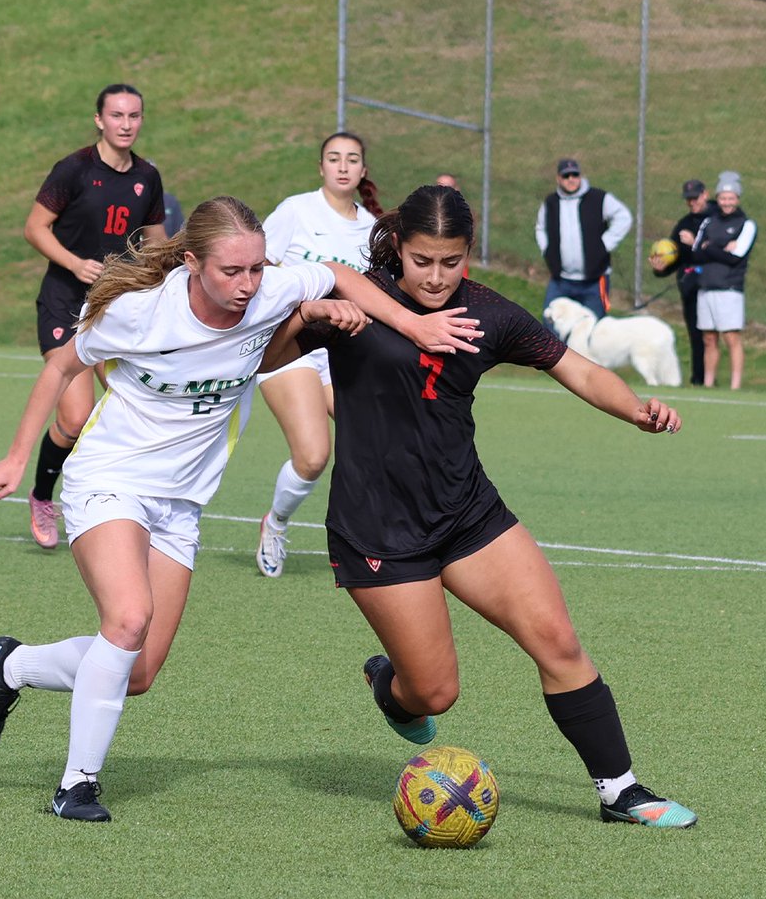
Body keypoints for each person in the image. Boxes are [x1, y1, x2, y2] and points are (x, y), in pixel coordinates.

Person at [0, 196, 482, 823]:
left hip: (180, 506)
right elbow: (60, 368)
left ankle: (11, 664)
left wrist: (412, 325)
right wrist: (17, 460)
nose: (248, 285)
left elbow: (340, 275)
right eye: (232, 272)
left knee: (139, 669)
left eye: (257, 270)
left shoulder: (266, 291)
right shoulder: (139, 314)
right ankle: (77, 785)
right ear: (190, 264)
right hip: (109, 480)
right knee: (127, 622)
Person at [265, 184, 696, 829]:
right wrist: (309, 320)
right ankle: (393, 689)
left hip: (469, 514)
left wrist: (635, 408)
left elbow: (573, 367)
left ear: (467, 254)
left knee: (558, 641)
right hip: (379, 529)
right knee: (434, 692)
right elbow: (268, 359)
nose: (436, 277)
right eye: (421, 261)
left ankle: (620, 790)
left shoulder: (489, 314)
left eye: (451, 261)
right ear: (398, 251)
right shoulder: (359, 303)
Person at [23, 84, 168, 550]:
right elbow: (34, 228)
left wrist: (158, 278)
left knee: (134, 403)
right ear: (99, 120)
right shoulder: (74, 169)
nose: (126, 123)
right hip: (65, 300)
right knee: (76, 414)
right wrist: (73, 263)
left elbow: (157, 243)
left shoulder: (148, 176)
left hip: (114, 305)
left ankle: (121, 505)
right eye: (117, 115)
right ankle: (43, 496)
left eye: (135, 115)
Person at [254, 132, 383, 578]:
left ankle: (372, 540)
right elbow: (258, 269)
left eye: (352, 159)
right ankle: (276, 522)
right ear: (321, 167)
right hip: (288, 346)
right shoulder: (295, 211)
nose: (343, 166)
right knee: (312, 456)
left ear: (363, 170)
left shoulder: (371, 228)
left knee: (375, 445)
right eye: (334, 158)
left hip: (341, 350)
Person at [536, 158, 632, 319]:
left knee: (592, 332)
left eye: (575, 175)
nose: (571, 179)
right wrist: (547, 249)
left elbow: (624, 217)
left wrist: (605, 244)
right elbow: (540, 227)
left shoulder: (599, 198)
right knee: (550, 330)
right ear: (558, 179)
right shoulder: (550, 203)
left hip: (594, 281)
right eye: (566, 176)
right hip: (561, 281)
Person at [648, 178, 716, 386]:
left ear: (705, 194)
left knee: (716, 337)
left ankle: (717, 382)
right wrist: (661, 267)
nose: (692, 202)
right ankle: (698, 380)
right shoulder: (684, 223)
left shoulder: (717, 218)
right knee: (696, 335)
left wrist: (694, 242)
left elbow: (717, 250)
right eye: (688, 199)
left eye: (695, 197)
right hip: (690, 288)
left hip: (714, 285)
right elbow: (674, 256)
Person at [693, 171, 757, 391]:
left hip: (729, 288)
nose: (727, 202)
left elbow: (735, 257)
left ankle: (735, 386)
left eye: (731, 198)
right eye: (723, 198)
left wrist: (710, 248)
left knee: (731, 337)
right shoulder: (709, 221)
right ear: (718, 198)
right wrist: (718, 248)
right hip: (706, 286)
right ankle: (708, 383)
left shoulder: (746, 224)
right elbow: (696, 253)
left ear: (737, 199)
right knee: (709, 338)